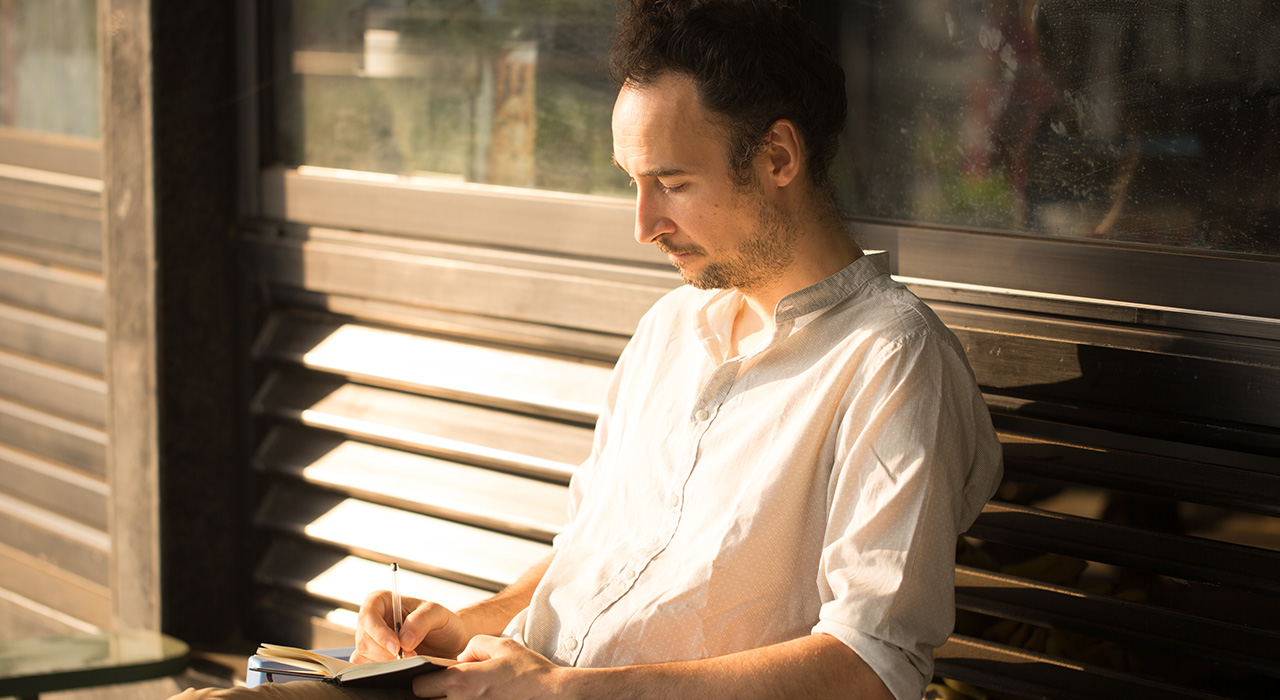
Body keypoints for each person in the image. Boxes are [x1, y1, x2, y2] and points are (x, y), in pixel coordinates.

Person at [175, 1, 1002, 699]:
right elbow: (594, 556)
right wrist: (468, 623)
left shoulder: (888, 360)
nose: (643, 225)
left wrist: (564, 691)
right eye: (630, 182)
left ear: (779, 156)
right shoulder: (671, 332)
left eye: (673, 183)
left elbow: (871, 663)